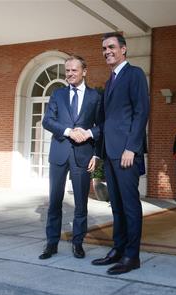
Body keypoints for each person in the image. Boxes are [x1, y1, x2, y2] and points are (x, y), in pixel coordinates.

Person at [91, 32, 149, 275]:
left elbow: (141, 111)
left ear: (123, 49)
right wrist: (92, 139)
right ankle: (118, 249)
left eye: (111, 47)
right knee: (115, 205)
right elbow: (108, 121)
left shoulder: (134, 74)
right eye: (104, 48)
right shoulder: (110, 81)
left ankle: (131, 256)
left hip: (126, 153)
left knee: (130, 206)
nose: (107, 51)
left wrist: (131, 147)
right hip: (111, 153)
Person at [39, 55, 102, 260]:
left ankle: (78, 243)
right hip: (59, 154)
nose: (70, 74)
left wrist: (96, 152)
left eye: (74, 70)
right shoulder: (57, 94)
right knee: (55, 201)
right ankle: (51, 244)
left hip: (83, 155)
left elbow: (102, 126)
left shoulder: (95, 97)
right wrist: (68, 131)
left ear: (84, 71)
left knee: (81, 203)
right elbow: (47, 121)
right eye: (67, 70)